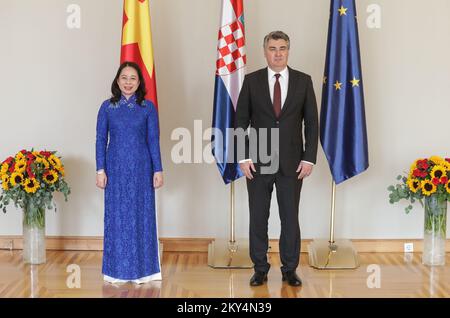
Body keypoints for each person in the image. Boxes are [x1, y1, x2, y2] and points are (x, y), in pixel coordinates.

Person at [235, 31, 318, 287]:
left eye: (283, 48)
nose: (278, 53)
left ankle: (289, 269)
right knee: (258, 216)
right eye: (273, 48)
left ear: (288, 51)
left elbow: (312, 124)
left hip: (293, 163)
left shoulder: (304, 81)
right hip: (258, 161)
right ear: (265, 51)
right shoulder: (251, 81)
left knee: (290, 217)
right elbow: (240, 121)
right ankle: (260, 268)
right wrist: (243, 156)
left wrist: (309, 158)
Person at [95, 61, 163, 284]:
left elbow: (153, 140)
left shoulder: (148, 107)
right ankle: (116, 271)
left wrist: (158, 169)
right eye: (124, 78)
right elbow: (100, 140)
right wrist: (100, 169)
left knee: (141, 216)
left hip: (142, 170)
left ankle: (145, 271)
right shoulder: (107, 107)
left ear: (139, 82)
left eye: (133, 78)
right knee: (117, 217)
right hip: (114, 170)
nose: (128, 82)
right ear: (117, 80)